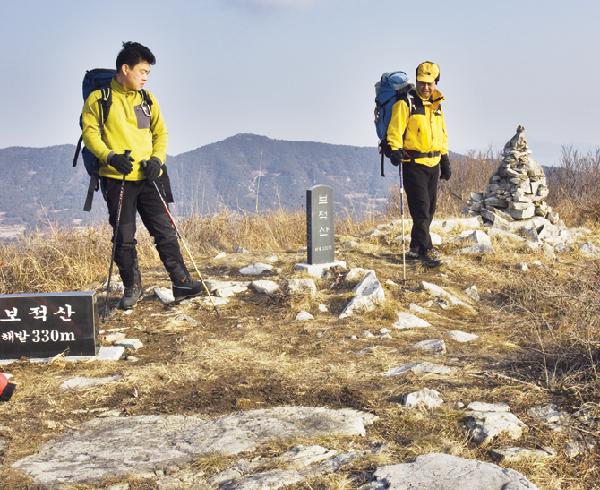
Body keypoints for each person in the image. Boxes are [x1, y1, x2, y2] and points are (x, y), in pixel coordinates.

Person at [82, 41, 202, 309]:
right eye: (143, 71)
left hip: (149, 178)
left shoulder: (147, 99)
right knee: (124, 237)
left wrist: (157, 161)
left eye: (148, 73)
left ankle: (181, 282)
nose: (146, 77)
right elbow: (89, 134)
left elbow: (161, 133)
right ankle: (132, 287)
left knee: (165, 231)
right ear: (125, 68)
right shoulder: (99, 99)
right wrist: (110, 157)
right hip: (118, 179)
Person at [386, 61, 451, 267]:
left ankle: (415, 247)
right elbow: (394, 131)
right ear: (416, 82)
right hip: (413, 164)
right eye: (421, 83)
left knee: (430, 209)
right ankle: (425, 251)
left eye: (429, 83)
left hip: (433, 162)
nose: (425, 87)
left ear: (436, 82)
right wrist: (394, 151)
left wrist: (445, 158)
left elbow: (442, 134)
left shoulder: (437, 105)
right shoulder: (405, 103)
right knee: (421, 209)